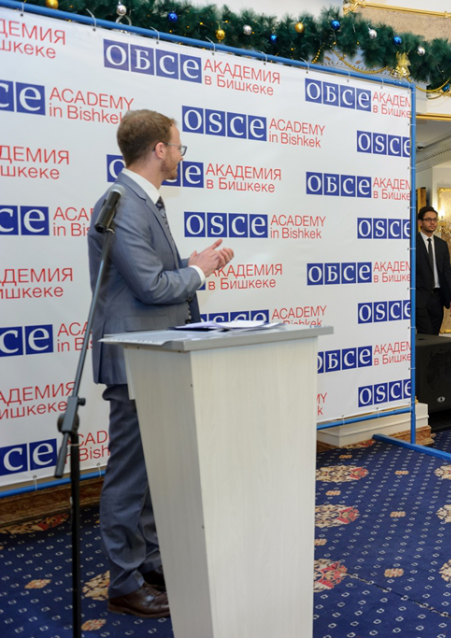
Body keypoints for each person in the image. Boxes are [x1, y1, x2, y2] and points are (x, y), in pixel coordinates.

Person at [88, 110, 234, 618]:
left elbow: (148, 275)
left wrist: (190, 265)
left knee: (151, 473)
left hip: (154, 359)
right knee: (130, 476)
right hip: (135, 361)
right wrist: (198, 272)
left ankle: (149, 563)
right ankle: (124, 582)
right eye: (178, 147)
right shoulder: (123, 203)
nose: (180, 155)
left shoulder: (144, 201)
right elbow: (150, 287)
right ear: (158, 150)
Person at [415, 205, 451, 335]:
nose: (432, 222)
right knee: (426, 335)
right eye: (428, 219)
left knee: (434, 336)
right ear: (420, 222)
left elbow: (447, 273)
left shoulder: (441, 244)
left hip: (438, 298)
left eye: (434, 219)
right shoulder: (412, 243)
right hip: (419, 298)